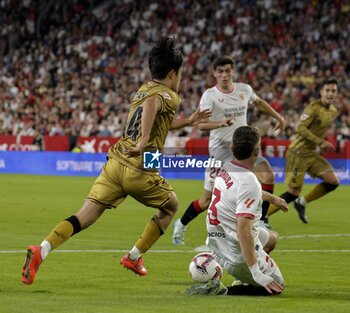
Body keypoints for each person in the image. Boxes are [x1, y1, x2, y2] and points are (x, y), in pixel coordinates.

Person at [21, 37, 211, 285]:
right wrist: (143, 141)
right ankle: (134, 256)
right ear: (173, 72)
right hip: (141, 164)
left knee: (85, 216)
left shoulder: (144, 88)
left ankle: (42, 250)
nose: (181, 79)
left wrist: (188, 121)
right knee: (171, 205)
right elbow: (153, 107)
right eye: (181, 73)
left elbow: (156, 119)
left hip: (117, 159)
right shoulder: (169, 95)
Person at [172, 56, 285, 245]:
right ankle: (181, 223)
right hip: (220, 151)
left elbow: (259, 102)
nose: (224, 75)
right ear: (215, 74)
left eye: (228, 71)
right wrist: (220, 123)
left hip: (245, 148)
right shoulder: (210, 95)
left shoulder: (244, 90)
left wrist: (278, 117)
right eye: (220, 71)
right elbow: (201, 125)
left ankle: (263, 220)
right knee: (206, 201)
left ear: (233, 71)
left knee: (268, 177)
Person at [187, 126, 286, 296]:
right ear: (257, 151)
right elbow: (244, 230)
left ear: (232, 148)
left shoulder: (226, 166)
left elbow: (240, 192)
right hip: (235, 254)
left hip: (217, 239)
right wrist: (256, 272)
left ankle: (250, 269)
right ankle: (225, 290)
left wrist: (272, 198)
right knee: (277, 286)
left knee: (272, 239)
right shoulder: (250, 182)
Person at [267, 79, 340, 223]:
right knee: (293, 192)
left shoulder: (333, 111)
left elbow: (319, 130)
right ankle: (263, 216)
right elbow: (300, 128)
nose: (330, 94)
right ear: (321, 92)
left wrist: (321, 144)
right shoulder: (312, 108)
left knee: (333, 181)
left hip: (312, 153)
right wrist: (321, 142)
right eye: (328, 90)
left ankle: (302, 203)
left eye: (333, 91)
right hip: (298, 153)